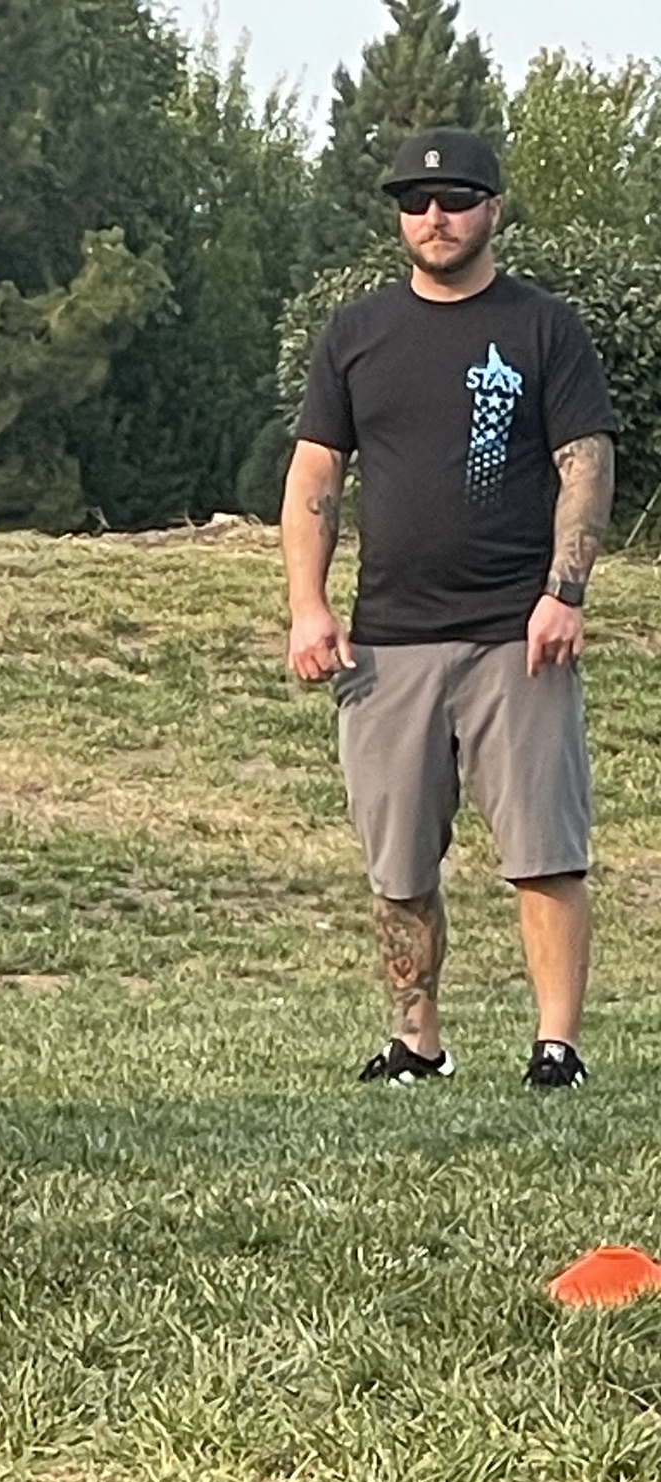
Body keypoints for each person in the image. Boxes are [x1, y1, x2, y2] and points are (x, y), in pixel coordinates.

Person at [282, 127, 616, 1088]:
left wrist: (565, 592)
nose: (436, 216)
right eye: (417, 202)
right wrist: (308, 606)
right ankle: (416, 1045)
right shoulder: (355, 334)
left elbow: (584, 463)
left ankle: (557, 1048)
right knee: (398, 866)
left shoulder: (544, 327)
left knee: (546, 853)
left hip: (520, 638)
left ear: (493, 209)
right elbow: (315, 474)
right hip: (387, 642)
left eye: (458, 198)